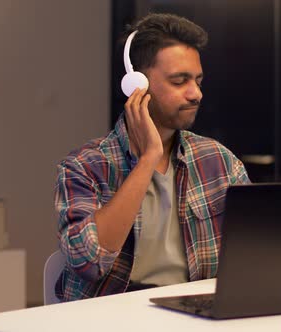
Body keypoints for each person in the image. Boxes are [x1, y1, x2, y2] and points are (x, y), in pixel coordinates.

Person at [53, 13, 250, 302]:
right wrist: (148, 159)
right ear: (137, 86)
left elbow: (254, 253)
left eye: (197, 80)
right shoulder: (84, 167)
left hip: (192, 313)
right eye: (179, 81)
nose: (196, 93)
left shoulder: (220, 162)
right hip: (110, 318)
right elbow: (89, 263)